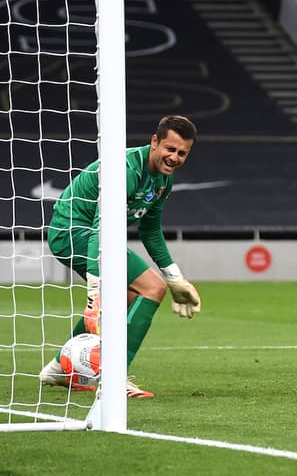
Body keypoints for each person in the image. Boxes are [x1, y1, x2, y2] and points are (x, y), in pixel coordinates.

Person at [38, 115, 203, 399]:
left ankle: (59, 368)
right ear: (155, 142)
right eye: (169, 149)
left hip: (92, 236)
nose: (174, 157)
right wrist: (95, 293)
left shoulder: (164, 180)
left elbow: (150, 231)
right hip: (72, 232)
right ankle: (115, 378)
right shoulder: (126, 170)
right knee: (152, 288)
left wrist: (176, 278)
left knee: (130, 297)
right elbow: (98, 231)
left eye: (182, 153)